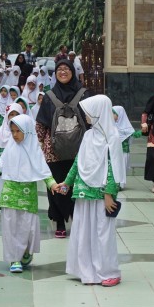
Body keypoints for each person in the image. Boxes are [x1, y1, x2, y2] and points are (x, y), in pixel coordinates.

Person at [57, 95, 124, 287]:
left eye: (87, 113)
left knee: (103, 233)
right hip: (83, 191)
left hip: (102, 194)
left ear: (98, 113)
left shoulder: (112, 138)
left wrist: (109, 194)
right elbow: (79, 161)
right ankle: (85, 269)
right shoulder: (88, 135)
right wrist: (68, 182)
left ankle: (109, 271)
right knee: (83, 231)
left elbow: (113, 167)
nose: (85, 116)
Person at [0, 114, 57, 273]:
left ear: (27, 132)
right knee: (10, 226)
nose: (14, 135)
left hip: (27, 195)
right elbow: (0, 167)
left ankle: (26, 252)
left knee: (27, 227)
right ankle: (14, 258)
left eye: (17, 131)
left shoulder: (34, 150)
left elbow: (43, 170)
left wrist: (52, 184)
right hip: (9, 193)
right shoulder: (10, 148)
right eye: (12, 131)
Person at [35, 59, 90, 238]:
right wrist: (40, 148)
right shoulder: (49, 96)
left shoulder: (84, 95)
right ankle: (59, 220)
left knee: (75, 185)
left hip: (79, 148)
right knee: (57, 185)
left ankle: (76, 217)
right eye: (59, 69)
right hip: (54, 150)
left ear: (73, 72)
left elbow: (91, 121)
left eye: (67, 68)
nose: (63, 72)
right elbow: (41, 125)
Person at [0, 103, 24, 198]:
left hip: (19, 168)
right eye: (11, 114)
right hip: (3, 168)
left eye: (16, 114)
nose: (13, 117)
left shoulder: (24, 131)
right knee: (3, 192)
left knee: (17, 195)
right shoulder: (2, 131)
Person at [112, 105, 139, 190]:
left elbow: (135, 134)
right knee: (114, 168)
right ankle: (114, 183)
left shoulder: (126, 127)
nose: (111, 115)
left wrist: (143, 131)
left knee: (121, 168)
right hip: (114, 152)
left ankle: (120, 184)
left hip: (123, 152)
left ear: (120, 115)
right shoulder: (111, 126)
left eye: (114, 113)